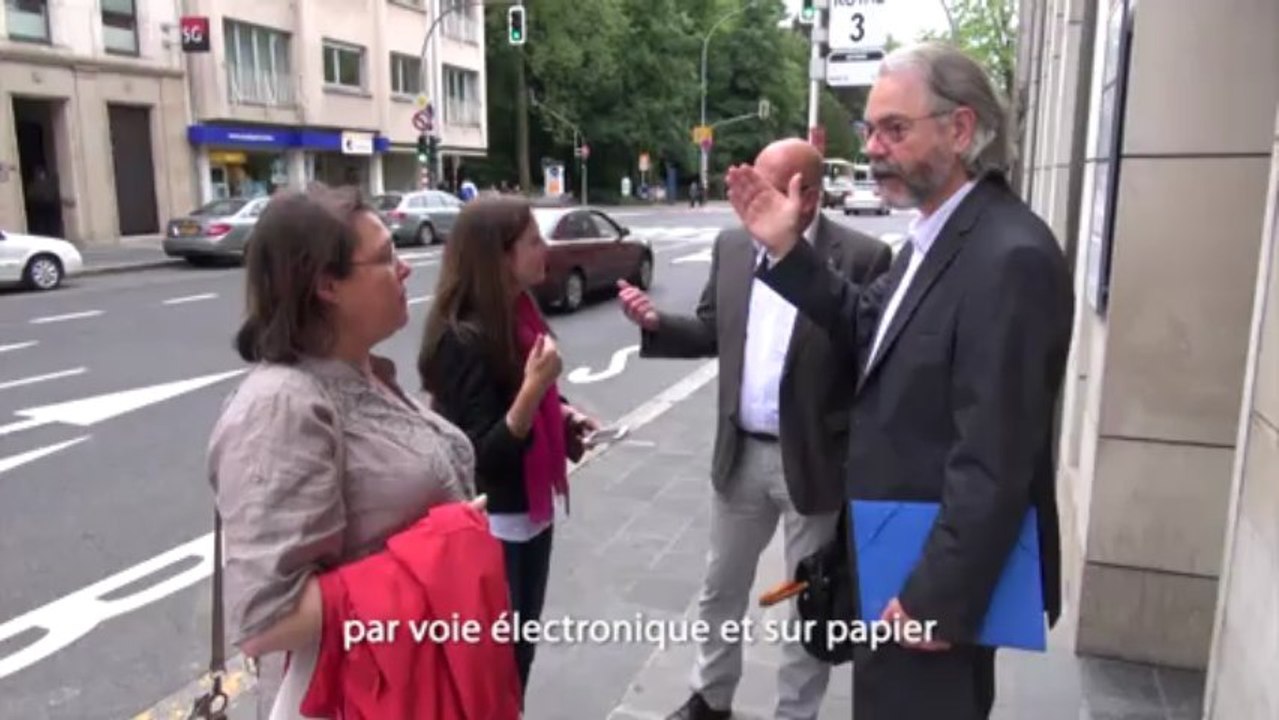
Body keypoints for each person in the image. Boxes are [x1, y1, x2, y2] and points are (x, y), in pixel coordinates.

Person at [724, 42, 1075, 719]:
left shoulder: (1009, 257)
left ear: (960, 129)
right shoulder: (932, 236)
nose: (875, 147)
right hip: (891, 555)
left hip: (932, 587)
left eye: (895, 128)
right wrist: (786, 250)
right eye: (869, 130)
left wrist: (934, 601)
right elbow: (867, 328)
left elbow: (994, 460)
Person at [619, 138, 893, 720]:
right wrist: (656, 323)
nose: (749, 203)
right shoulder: (732, 245)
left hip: (814, 461)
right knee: (721, 588)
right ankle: (710, 698)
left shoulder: (864, 257)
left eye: (765, 189)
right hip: (740, 455)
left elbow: (866, 348)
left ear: (810, 196)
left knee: (805, 601)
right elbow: (711, 329)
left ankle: (796, 712)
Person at [206, 184, 482, 716]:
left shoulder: (364, 372)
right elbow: (267, 621)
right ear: (326, 284)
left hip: (418, 679)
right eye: (384, 258)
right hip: (361, 696)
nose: (404, 269)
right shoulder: (282, 406)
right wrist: (443, 552)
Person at [418, 195, 600, 701]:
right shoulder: (463, 337)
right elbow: (481, 457)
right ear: (499, 256)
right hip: (493, 526)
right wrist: (533, 391)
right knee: (497, 664)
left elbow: (534, 395)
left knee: (520, 652)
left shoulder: (520, 312)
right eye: (534, 241)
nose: (546, 248)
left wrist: (563, 413)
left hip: (532, 512)